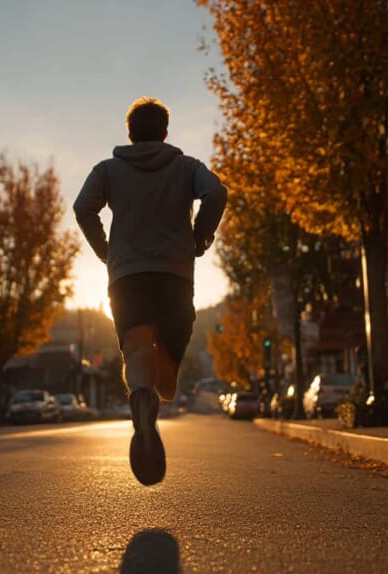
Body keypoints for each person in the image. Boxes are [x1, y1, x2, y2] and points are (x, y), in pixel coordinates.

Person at [74, 97, 227, 485]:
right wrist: (200, 235)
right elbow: (217, 193)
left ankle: (140, 396)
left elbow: (82, 208)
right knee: (169, 384)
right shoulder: (187, 167)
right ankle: (149, 396)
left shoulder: (108, 170)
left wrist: (105, 251)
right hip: (174, 277)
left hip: (127, 277)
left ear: (129, 133)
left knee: (139, 351)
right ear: (164, 132)